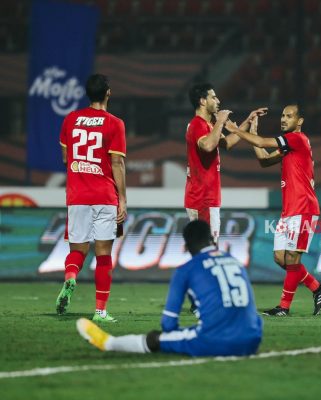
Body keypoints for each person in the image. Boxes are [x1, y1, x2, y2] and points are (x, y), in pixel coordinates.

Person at [76, 220, 263, 357]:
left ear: (187, 246)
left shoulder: (187, 270)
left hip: (217, 342)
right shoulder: (235, 261)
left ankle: (109, 343)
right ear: (212, 240)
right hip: (253, 337)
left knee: (155, 338)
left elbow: (168, 325)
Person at [224, 104, 321, 316]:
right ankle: (318, 288)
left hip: (304, 207)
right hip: (289, 209)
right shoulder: (287, 146)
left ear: (299, 121)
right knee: (280, 259)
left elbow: (263, 142)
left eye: (289, 116)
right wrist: (252, 134)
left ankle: (284, 307)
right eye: (282, 116)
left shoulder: (297, 139)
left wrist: (235, 130)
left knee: (292, 258)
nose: (284, 119)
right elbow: (264, 160)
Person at [56, 73, 127, 323]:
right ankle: (100, 312)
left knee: (77, 251)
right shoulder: (115, 123)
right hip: (104, 195)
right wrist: (123, 199)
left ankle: (71, 278)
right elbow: (116, 163)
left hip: (77, 195)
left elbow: (66, 159)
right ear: (108, 93)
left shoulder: (71, 120)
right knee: (104, 255)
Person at [185, 83, 266, 241]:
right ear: (202, 101)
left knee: (204, 247)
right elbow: (208, 146)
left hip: (204, 197)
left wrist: (248, 121)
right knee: (208, 248)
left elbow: (227, 143)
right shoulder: (198, 125)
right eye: (213, 97)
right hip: (203, 198)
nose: (218, 100)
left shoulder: (207, 125)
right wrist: (221, 122)